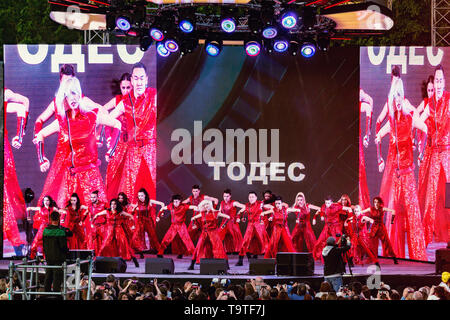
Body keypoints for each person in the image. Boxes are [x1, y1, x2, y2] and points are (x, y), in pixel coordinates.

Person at [34, 76, 122, 207]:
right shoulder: (63, 122)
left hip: (90, 176)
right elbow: (40, 134)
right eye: (69, 95)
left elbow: (117, 124)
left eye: (75, 93)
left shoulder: (92, 116)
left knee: (97, 216)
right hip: (70, 176)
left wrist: (112, 150)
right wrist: (42, 159)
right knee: (68, 217)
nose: (73, 98)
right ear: (65, 98)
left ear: (80, 94)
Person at [375, 78, 428, 260]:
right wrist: (380, 153)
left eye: (399, 95)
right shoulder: (392, 121)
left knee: (413, 215)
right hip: (396, 175)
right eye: (394, 96)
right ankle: (393, 253)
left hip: (408, 173)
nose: (397, 99)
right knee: (393, 214)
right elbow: (379, 135)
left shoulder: (410, 117)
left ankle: (418, 255)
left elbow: (426, 128)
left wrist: (420, 149)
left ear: (403, 96)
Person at [108, 62, 157, 203]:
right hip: (133, 150)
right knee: (129, 190)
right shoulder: (125, 101)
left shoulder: (154, 96)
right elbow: (109, 118)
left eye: (142, 78)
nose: (139, 82)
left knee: (152, 186)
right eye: (136, 78)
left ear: (146, 79)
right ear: (132, 80)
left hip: (150, 150)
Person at [420, 65, 450, 245]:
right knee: (431, 196)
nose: (438, 84)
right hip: (434, 154)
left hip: (447, 152)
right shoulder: (430, 104)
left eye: (440, 81)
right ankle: (425, 236)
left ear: (444, 82)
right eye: (436, 81)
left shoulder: (449, 100)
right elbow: (419, 118)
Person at [3, 88, 29, 256]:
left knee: (5, 194)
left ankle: (15, 240)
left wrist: (21, 133)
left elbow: (24, 104)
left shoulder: (4, 93)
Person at [104, 73, 133, 200]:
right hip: (118, 144)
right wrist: (109, 137)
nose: (126, 90)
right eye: (123, 87)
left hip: (133, 145)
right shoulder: (117, 100)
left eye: (128, 87)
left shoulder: (137, 101)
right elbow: (102, 113)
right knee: (114, 175)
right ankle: (112, 204)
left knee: (130, 177)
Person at [95, 199, 139, 267]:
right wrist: (93, 223)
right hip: (109, 230)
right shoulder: (107, 211)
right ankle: (98, 260)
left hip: (119, 230)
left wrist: (133, 225)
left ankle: (133, 259)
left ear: (117, 205)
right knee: (105, 244)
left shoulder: (120, 212)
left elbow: (131, 216)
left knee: (124, 244)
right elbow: (97, 215)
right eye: (112, 204)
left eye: (114, 204)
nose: (113, 205)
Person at [188, 200, 230, 270]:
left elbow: (228, 217)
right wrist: (193, 224)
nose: (206, 206)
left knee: (219, 248)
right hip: (204, 233)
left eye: (207, 204)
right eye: (204, 205)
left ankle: (226, 264)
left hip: (213, 233)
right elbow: (193, 218)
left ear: (210, 204)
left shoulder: (215, 213)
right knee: (198, 247)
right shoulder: (202, 213)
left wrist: (223, 225)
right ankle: (192, 264)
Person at [235, 192, 272, 266]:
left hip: (259, 226)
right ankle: (240, 260)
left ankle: (270, 260)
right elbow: (240, 212)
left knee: (264, 242)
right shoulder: (247, 205)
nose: (251, 198)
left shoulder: (260, 204)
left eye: (252, 197)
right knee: (245, 242)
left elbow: (272, 208)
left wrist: (268, 215)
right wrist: (239, 218)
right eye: (249, 197)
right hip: (250, 226)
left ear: (256, 198)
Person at [312, 196, 352, 261]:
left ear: (331, 202)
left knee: (338, 242)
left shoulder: (336, 206)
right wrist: (315, 218)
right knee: (321, 241)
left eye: (328, 203)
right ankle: (322, 257)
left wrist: (349, 219)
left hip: (335, 227)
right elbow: (319, 211)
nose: (327, 205)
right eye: (326, 203)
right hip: (327, 227)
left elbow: (349, 209)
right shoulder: (324, 206)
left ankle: (341, 258)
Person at [42, 211, 73, 295]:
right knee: (57, 277)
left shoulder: (45, 231)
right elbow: (63, 247)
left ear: (50, 219)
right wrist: (67, 254)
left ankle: (46, 294)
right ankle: (56, 295)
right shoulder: (60, 232)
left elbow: (44, 245)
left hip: (48, 258)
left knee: (48, 276)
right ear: (59, 219)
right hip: (58, 259)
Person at [360, 197, 398, 264]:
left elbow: (393, 211)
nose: (376, 203)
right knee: (373, 244)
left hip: (381, 228)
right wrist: (363, 219)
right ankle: (373, 259)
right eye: (375, 202)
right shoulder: (370, 209)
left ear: (380, 203)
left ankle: (394, 257)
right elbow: (361, 212)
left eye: (377, 202)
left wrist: (392, 220)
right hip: (373, 228)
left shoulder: (382, 208)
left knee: (386, 243)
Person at [130, 188, 163, 258]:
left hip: (148, 221)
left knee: (153, 237)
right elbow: (132, 212)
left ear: (145, 195)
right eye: (139, 196)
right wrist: (132, 214)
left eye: (142, 195)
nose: (140, 197)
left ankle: (159, 252)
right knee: (137, 236)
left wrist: (160, 214)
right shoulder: (138, 203)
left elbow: (162, 204)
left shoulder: (150, 201)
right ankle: (139, 252)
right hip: (140, 222)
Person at [218, 189, 245, 254]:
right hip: (224, 222)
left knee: (236, 236)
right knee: (219, 236)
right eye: (224, 196)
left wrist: (239, 214)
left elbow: (244, 207)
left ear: (230, 196)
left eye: (227, 196)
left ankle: (238, 251)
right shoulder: (222, 203)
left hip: (232, 222)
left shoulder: (234, 202)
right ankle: (224, 250)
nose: (226, 198)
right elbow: (219, 212)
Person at [359, 88, 373, 209]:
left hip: (355, 140)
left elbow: (370, 104)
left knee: (359, 171)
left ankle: (361, 206)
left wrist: (367, 134)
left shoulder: (360, 93)